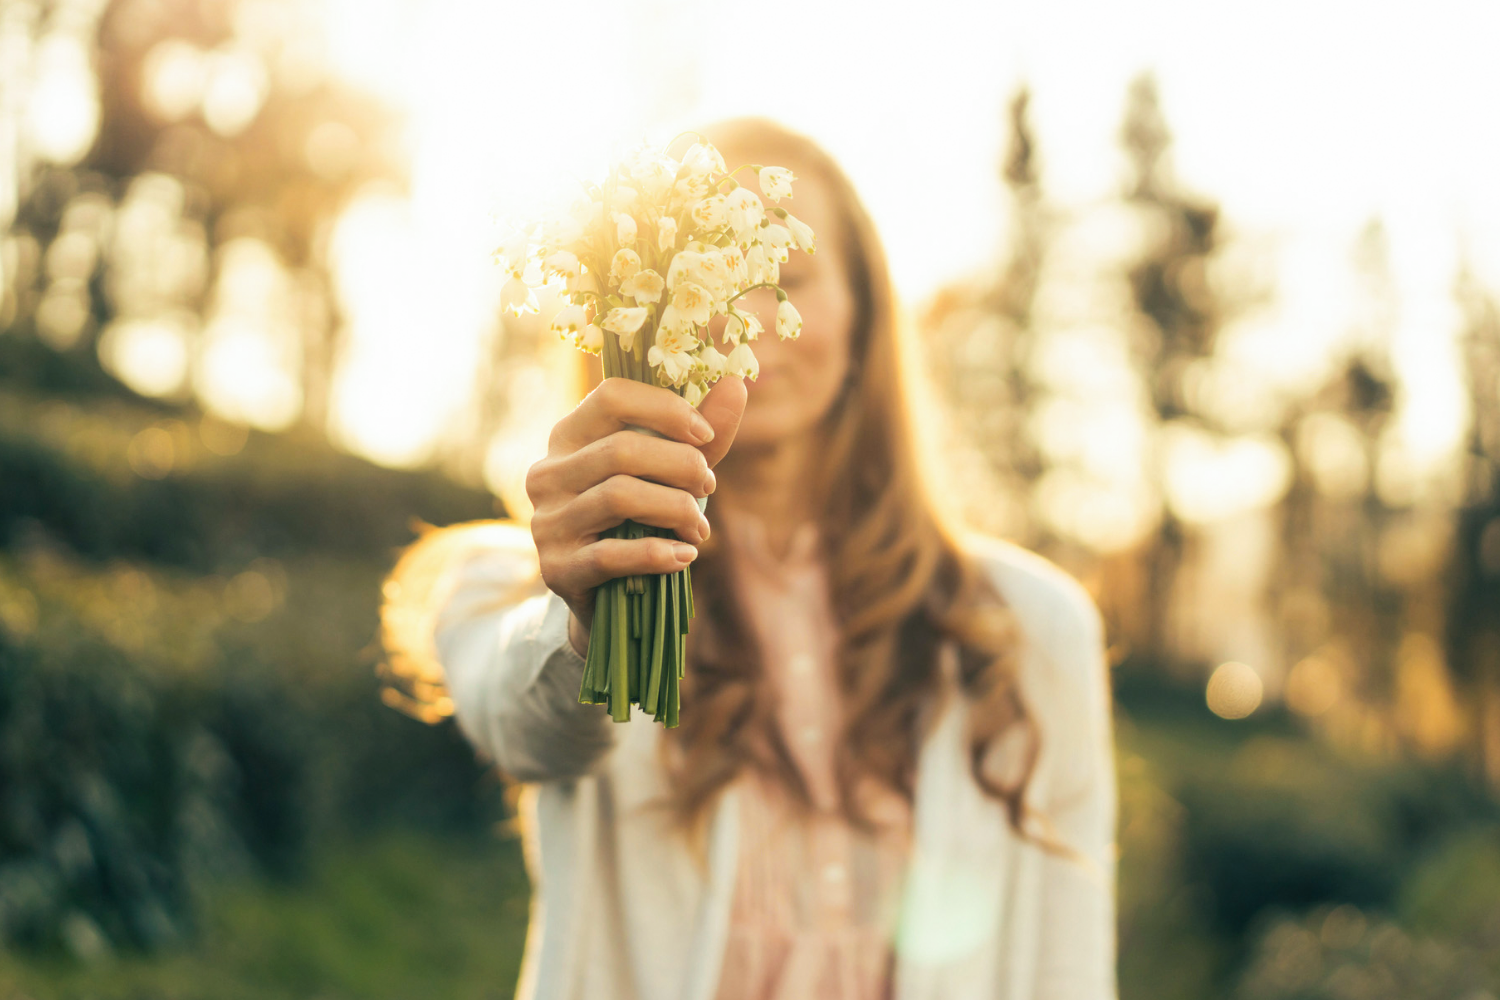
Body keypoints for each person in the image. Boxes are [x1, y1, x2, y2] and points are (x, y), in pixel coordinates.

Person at [380, 117, 1117, 1000]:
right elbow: (528, 725)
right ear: (630, 318)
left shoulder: (1031, 624)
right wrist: (586, 609)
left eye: (786, 276)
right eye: (699, 280)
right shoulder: (531, 584)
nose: (742, 322)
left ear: (865, 311)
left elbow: (1066, 964)